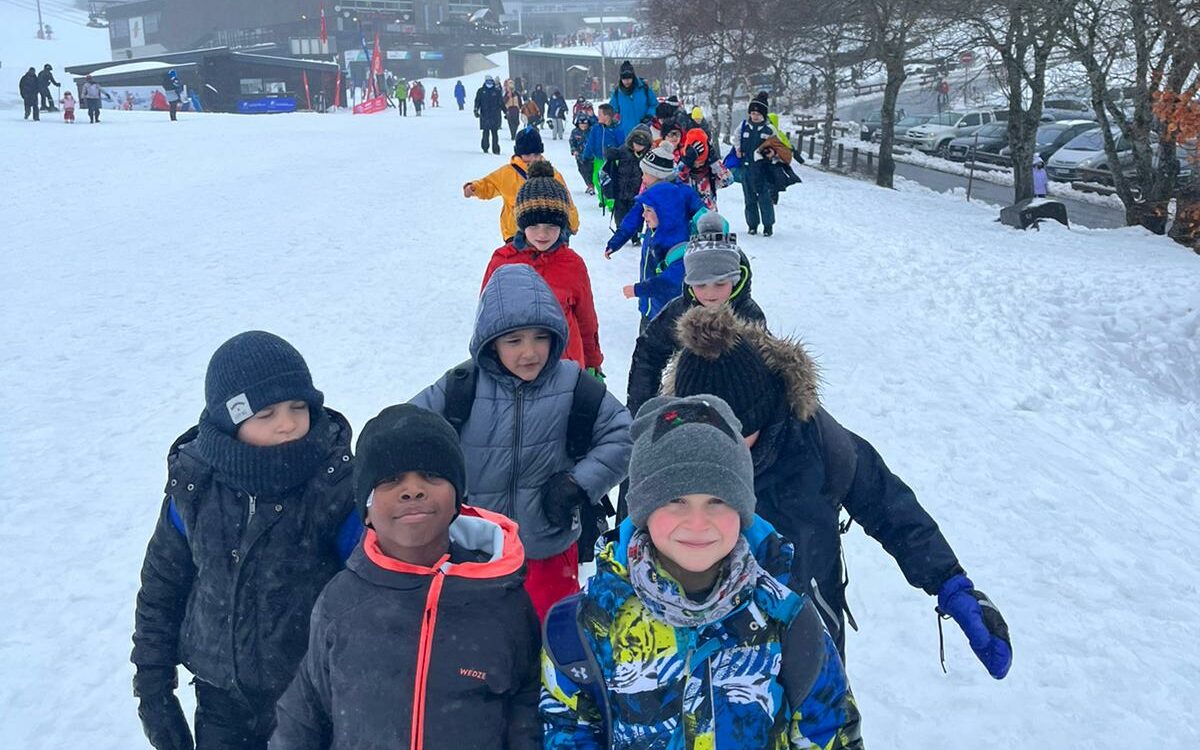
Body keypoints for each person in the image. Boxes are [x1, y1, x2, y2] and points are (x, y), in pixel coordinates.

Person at [662, 305, 1014, 678]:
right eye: (709, 438)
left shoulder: (814, 441)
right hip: (701, 658)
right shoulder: (666, 457)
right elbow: (629, 544)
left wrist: (950, 582)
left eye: (738, 435)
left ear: (763, 413)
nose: (725, 451)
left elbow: (886, 501)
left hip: (805, 640)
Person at [540, 394, 864, 750]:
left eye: (718, 500)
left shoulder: (787, 619)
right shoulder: (590, 622)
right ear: (643, 510)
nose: (697, 522)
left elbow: (831, 733)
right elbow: (567, 729)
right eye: (675, 500)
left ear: (743, 511)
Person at [131, 331, 362, 750]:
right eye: (266, 413)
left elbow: (370, 592)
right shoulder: (195, 487)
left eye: (297, 407)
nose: (288, 423)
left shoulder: (335, 487)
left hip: (310, 700)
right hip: (220, 699)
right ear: (229, 421)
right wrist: (154, 690)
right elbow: (162, 587)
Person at [270, 405, 541, 750]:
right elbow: (303, 714)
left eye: (430, 475)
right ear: (365, 509)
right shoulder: (341, 601)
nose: (412, 491)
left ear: (458, 497)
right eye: (390, 480)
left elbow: (525, 709)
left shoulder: (503, 600)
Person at [410, 265, 633, 619]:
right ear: (490, 342)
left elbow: (624, 435)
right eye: (513, 340)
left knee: (550, 641)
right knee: (478, 650)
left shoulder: (574, 385)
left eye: (539, 338)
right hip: (474, 551)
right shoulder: (461, 387)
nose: (529, 352)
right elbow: (403, 434)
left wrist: (578, 484)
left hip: (548, 550)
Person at [625, 212, 764, 423]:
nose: (710, 293)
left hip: (738, 414)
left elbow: (763, 366)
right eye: (700, 284)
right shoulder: (679, 310)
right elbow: (648, 353)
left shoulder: (747, 314)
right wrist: (642, 409)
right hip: (685, 408)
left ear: (735, 280)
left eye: (720, 283)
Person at [482, 161, 604, 374]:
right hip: (515, 368)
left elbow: (586, 320)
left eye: (551, 226)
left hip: (565, 369)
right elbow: (487, 316)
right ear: (521, 224)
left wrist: (593, 361)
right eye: (533, 226)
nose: (542, 234)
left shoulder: (572, 265)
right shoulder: (502, 261)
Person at [605, 144, 707, 330]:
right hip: (651, 247)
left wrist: (708, 225)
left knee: (667, 289)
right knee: (650, 286)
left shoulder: (682, 193)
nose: (642, 177)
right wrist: (616, 241)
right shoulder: (648, 195)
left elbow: (702, 212)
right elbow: (633, 217)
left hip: (672, 248)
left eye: (645, 174)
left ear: (658, 175)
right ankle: (647, 316)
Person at [464, 126, 581, 242]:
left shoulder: (552, 174)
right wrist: (474, 188)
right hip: (515, 233)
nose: (532, 159)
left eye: (536, 154)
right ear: (519, 154)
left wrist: (572, 223)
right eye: (527, 155)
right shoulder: (506, 173)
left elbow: (566, 200)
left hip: (546, 231)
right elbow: (488, 184)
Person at [737, 96, 777, 235]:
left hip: (763, 169)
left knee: (764, 198)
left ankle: (768, 225)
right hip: (747, 168)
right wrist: (738, 149)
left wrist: (771, 154)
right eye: (752, 113)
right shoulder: (743, 126)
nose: (754, 116)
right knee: (749, 198)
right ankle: (752, 224)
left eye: (758, 114)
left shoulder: (769, 129)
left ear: (763, 115)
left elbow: (776, 146)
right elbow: (736, 139)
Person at [608, 126, 653, 228]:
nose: (638, 146)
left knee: (636, 213)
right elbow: (614, 154)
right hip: (621, 188)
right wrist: (610, 153)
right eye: (636, 143)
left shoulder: (649, 155)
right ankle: (621, 229)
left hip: (638, 190)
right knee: (620, 212)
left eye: (641, 144)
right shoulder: (624, 149)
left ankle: (635, 234)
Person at [583, 103, 622, 211]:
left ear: (607, 116)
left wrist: (620, 156)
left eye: (600, 114)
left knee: (609, 181)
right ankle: (603, 199)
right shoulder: (596, 128)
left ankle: (611, 203)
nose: (597, 116)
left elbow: (622, 144)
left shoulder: (616, 129)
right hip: (598, 159)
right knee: (596, 180)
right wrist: (586, 156)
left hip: (612, 160)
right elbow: (590, 143)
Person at [608, 59, 657, 140]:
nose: (627, 81)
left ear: (633, 76)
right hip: (625, 133)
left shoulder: (644, 88)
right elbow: (612, 109)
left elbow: (654, 104)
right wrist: (614, 119)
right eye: (624, 78)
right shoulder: (617, 92)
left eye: (629, 78)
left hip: (644, 130)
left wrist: (649, 115)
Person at [475, 76, 503, 154]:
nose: (489, 83)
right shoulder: (481, 91)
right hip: (485, 115)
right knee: (485, 133)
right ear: (485, 82)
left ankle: (496, 149)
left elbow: (501, 102)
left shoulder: (497, 91)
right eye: (488, 82)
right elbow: (477, 101)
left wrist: (505, 111)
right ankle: (485, 147)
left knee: (495, 134)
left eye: (491, 81)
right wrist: (476, 110)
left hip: (495, 115)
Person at [569, 113, 595, 195]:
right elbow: (572, 142)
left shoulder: (592, 131)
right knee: (582, 170)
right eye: (581, 124)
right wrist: (574, 150)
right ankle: (589, 184)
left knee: (591, 170)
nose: (583, 126)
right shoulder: (575, 132)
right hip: (579, 156)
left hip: (591, 155)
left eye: (585, 124)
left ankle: (591, 185)